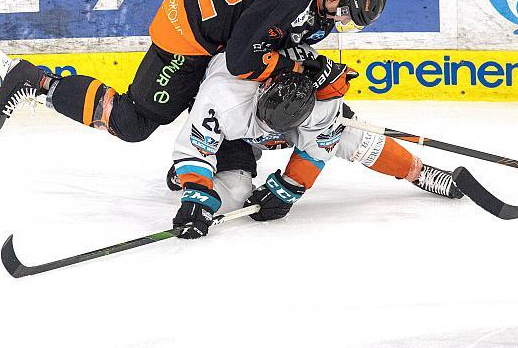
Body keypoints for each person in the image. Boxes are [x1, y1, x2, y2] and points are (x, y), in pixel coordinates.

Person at [0, 0, 387, 149]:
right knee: (133, 123)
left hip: (215, 21)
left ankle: (191, 163)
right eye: (343, 11)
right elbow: (245, 60)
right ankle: (34, 79)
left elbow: (262, 25)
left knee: (223, 108)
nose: (340, 20)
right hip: (188, 35)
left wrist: (302, 68)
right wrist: (300, 70)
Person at [166, 45, 462, 239]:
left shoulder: (324, 104)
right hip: (235, 132)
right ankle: (190, 175)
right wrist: (196, 192)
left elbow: (316, 150)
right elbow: (193, 147)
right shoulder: (223, 96)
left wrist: (288, 188)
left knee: (359, 139)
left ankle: (420, 172)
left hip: (294, 120)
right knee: (233, 195)